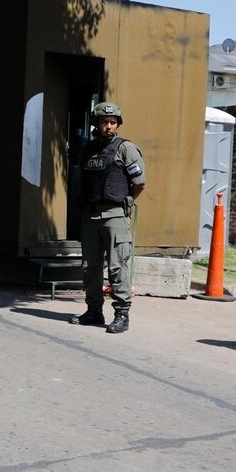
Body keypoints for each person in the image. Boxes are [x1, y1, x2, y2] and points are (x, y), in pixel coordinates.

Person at [69, 101, 146, 334]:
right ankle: (94, 311)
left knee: (117, 266)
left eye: (113, 123)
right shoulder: (88, 150)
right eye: (104, 122)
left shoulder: (125, 148)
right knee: (90, 267)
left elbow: (139, 182)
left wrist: (128, 201)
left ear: (117, 125)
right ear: (97, 124)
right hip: (90, 215)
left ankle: (122, 314)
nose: (109, 127)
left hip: (114, 216)